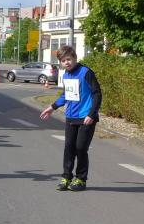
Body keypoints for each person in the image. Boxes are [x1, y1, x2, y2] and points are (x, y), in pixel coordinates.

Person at [40, 46, 102, 192]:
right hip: (71, 117)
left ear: (75, 58)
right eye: (63, 61)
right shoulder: (66, 75)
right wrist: (52, 107)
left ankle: (81, 179)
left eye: (68, 59)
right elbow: (66, 95)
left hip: (86, 117)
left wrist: (91, 114)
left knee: (80, 148)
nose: (66, 62)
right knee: (69, 148)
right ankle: (66, 177)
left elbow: (97, 94)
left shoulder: (86, 72)